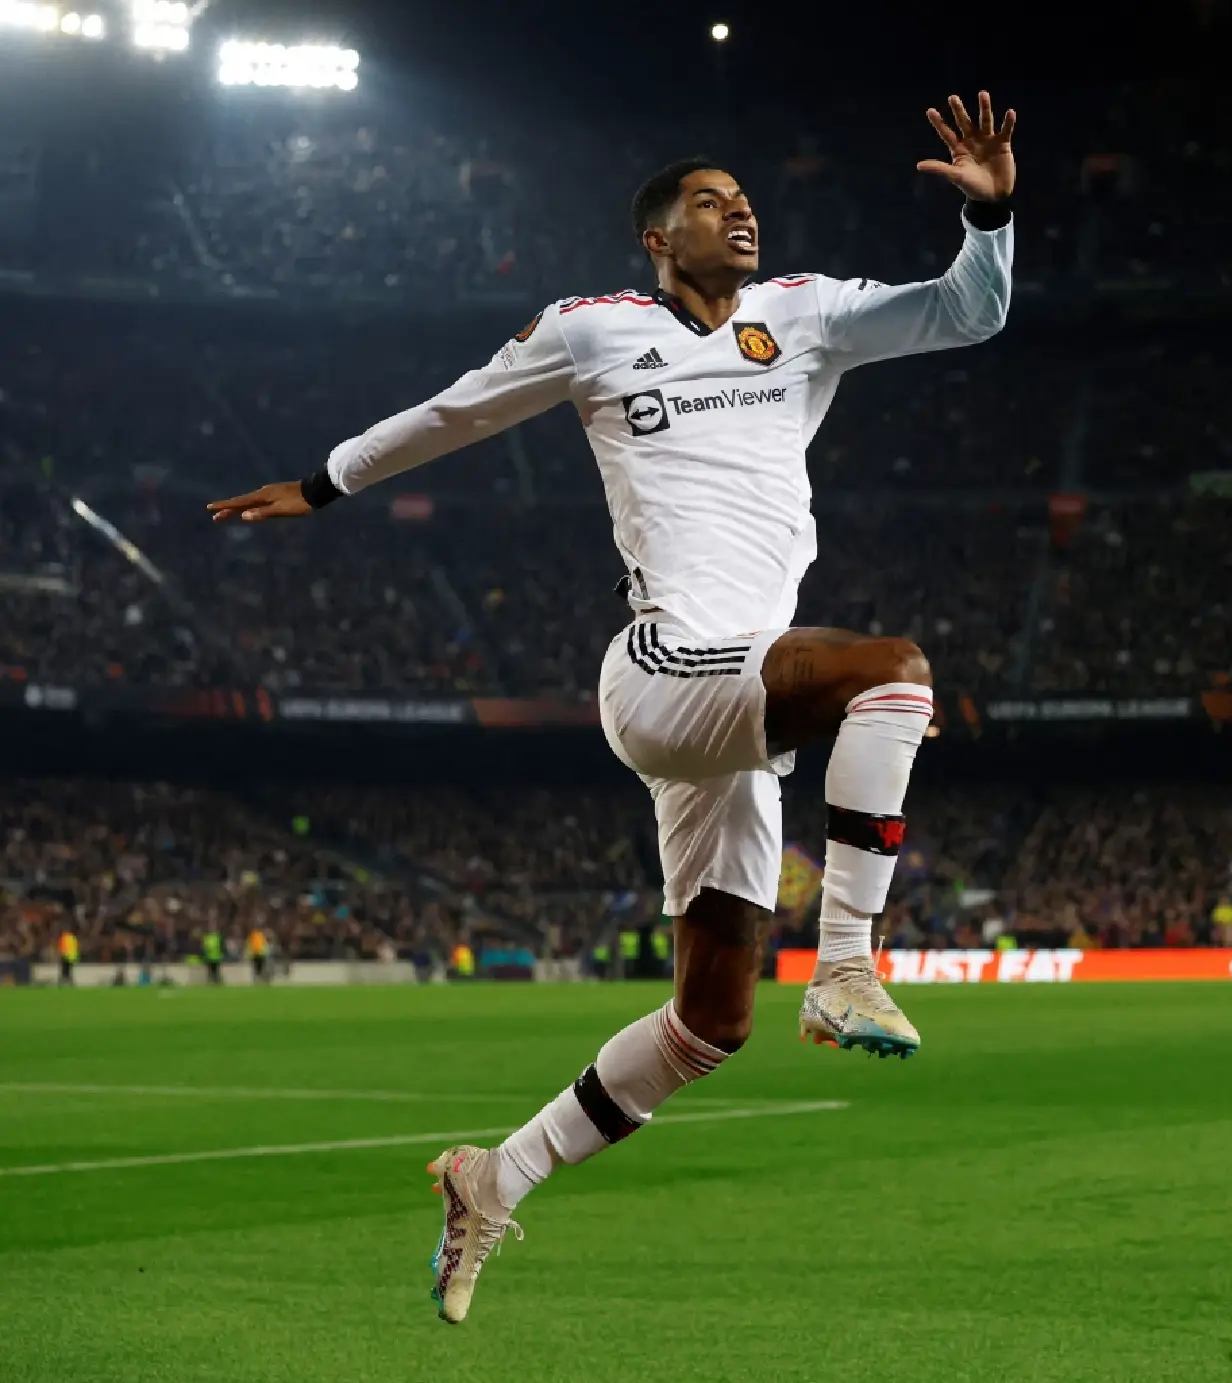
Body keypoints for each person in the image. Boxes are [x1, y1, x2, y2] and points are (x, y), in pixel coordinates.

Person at [206, 91, 1018, 1325]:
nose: (739, 211)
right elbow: (457, 408)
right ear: (657, 237)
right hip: (661, 668)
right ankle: (847, 966)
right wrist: (325, 484)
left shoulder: (804, 314)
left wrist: (992, 214)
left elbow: (969, 311)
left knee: (710, 1023)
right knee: (894, 666)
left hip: (735, 703)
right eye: (710, 201)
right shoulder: (594, 331)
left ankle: (495, 1174)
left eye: (745, 198)